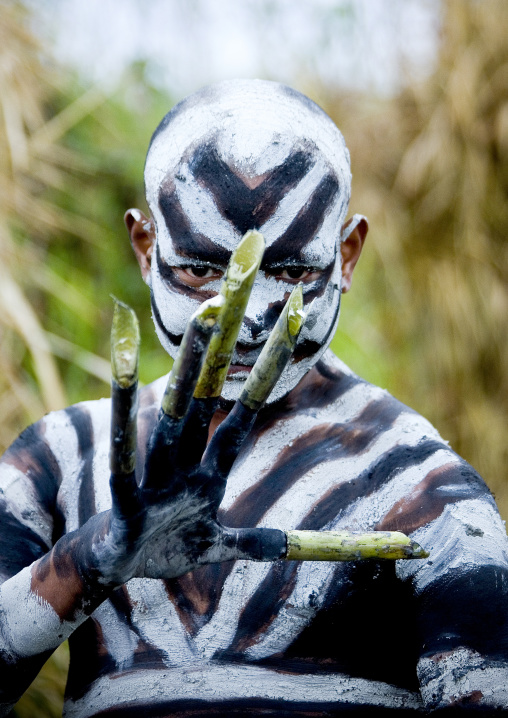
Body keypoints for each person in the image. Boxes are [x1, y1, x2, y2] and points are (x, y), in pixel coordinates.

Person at [0, 79, 507, 717]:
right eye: (203, 271)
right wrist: (91, 560)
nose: (249, 317)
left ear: (346, 256)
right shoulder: (59, 460)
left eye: (294, 273)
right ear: (146, 248)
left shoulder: (419, 487)